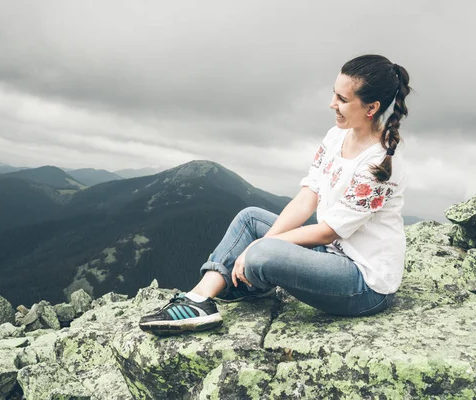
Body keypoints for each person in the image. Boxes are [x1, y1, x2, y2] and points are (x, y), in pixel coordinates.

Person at [139, 54, 411, 335]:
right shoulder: (335, 137)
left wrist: (256, 250)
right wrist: (261, 243)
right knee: (250, 218)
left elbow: (327, 232)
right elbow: (308, 197)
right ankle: (198, 300)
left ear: (372, 107)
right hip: (330, 255)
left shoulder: (381, 163)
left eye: (342, 99)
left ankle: (250, 279)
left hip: (363, 283)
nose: (333, 104)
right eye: (334, 93)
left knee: (261, 254)